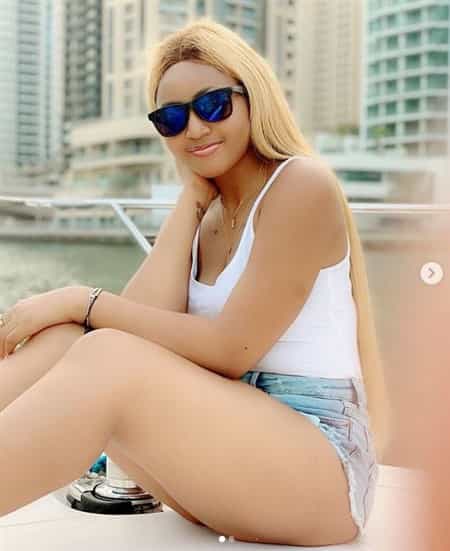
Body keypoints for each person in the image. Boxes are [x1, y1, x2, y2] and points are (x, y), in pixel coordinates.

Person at [0, 17, 391, 546]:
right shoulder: (208, 211)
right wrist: (191, 200)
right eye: (172, 119)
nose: (195, 129)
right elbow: (125, 327)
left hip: (322, 473)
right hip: (230, 459)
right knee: (70, 341)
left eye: (213, 105)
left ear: (252, 99)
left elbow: (230, 350)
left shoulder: (301, 185)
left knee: (99, 345)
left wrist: (78, 298)